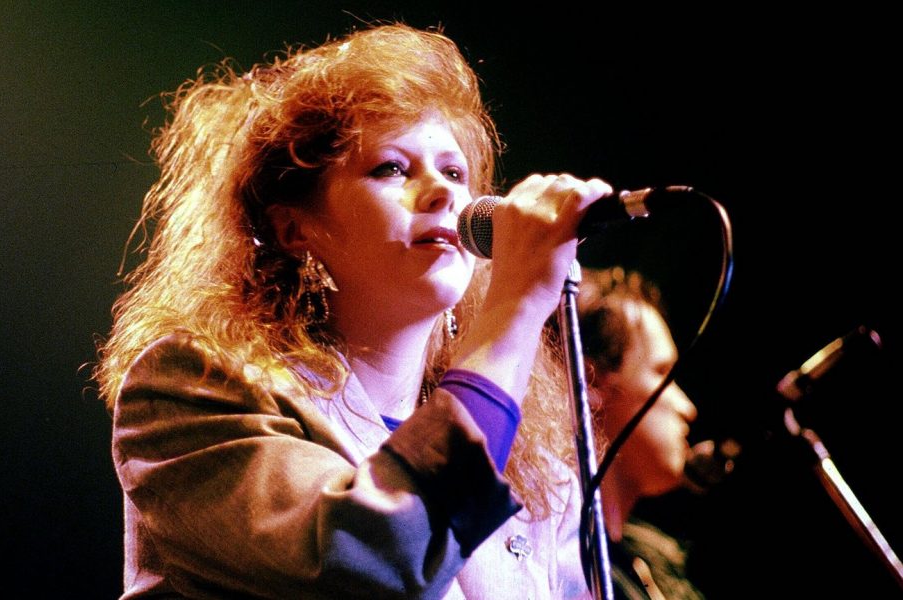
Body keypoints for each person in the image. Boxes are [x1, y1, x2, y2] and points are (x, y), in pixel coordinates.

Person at [95, 23, 615, 599]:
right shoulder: (193, 389)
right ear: (294, 228)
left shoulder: (536, 468)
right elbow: (371, 559)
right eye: (391, 168)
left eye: (454, 172)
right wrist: (515, 312)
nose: (443, 194)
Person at [577, 267, 706, 599]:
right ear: (591, 379)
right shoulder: (568, 565)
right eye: (662, 373)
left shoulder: (648, 560)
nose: (687, 407)